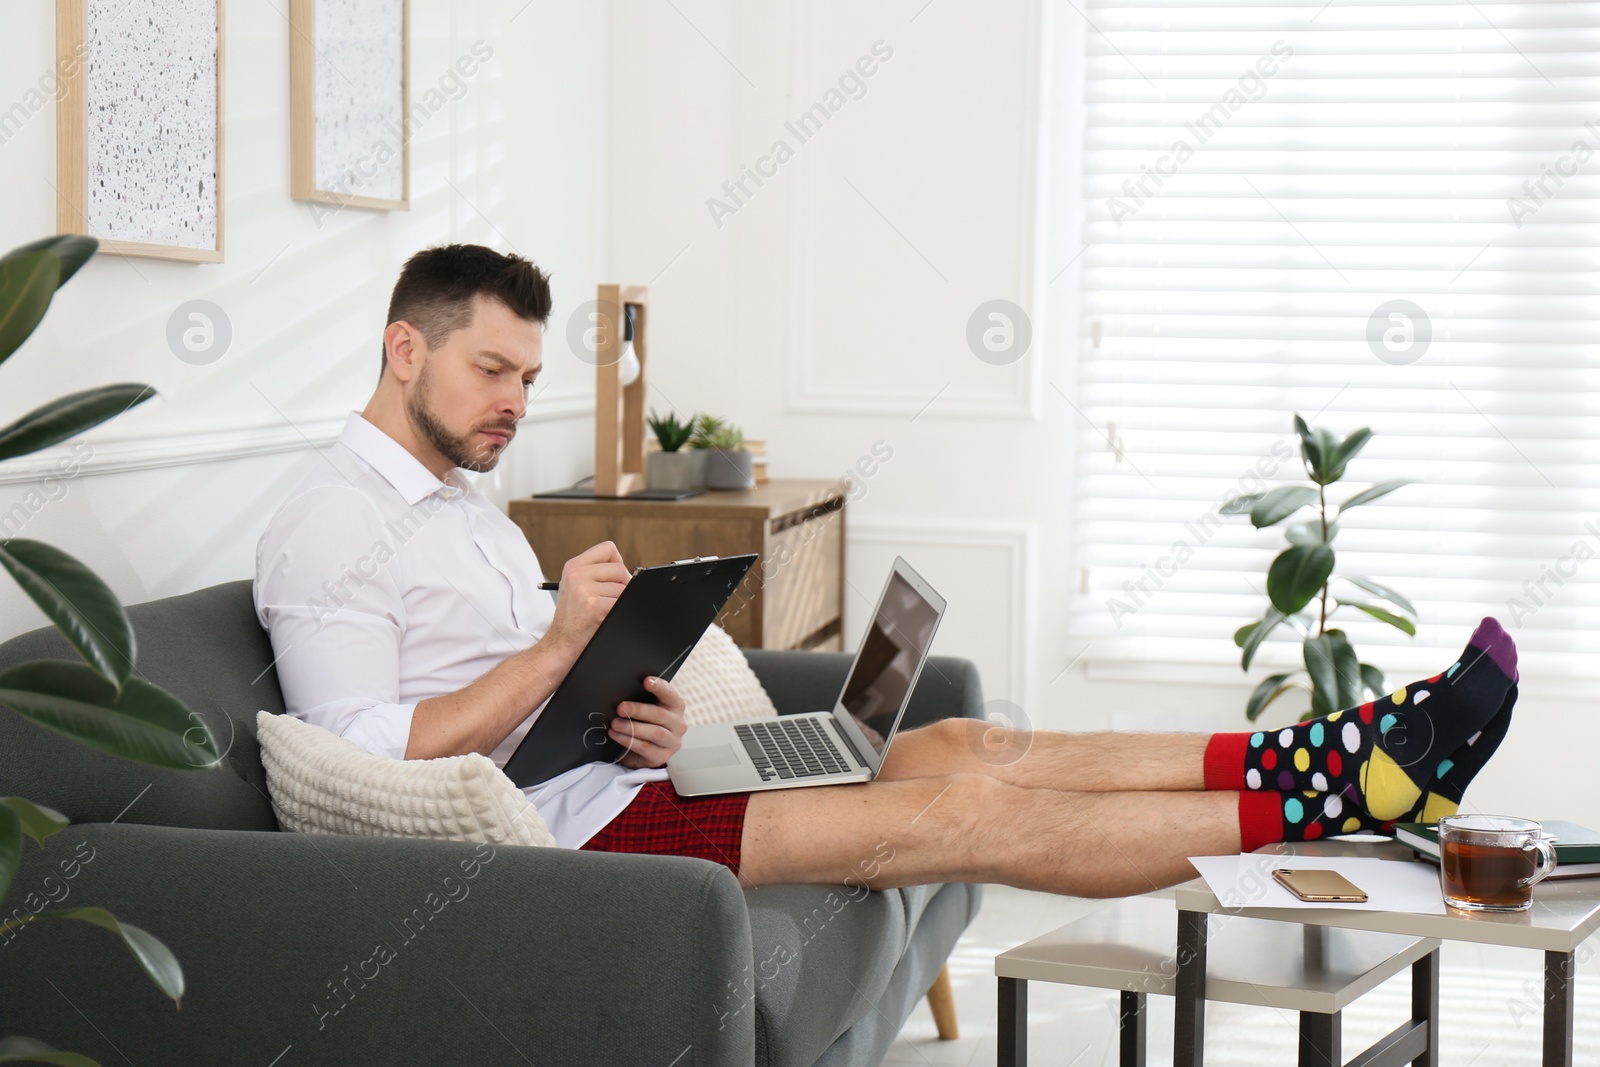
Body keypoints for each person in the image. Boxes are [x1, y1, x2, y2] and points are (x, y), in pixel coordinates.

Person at [254, 243, 1519, 899]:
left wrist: (634, 702)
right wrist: (548, 653)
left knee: (973, 742)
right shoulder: (323, 521)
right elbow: (362, 758)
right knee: (965, 815)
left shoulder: (461, 505)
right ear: (402, 348)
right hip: (570, 840)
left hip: (609, 778)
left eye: (530, 376)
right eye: (495, 372)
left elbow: (516, 689)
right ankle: (1346, 798)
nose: (518, 401)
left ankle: (1341, 749)